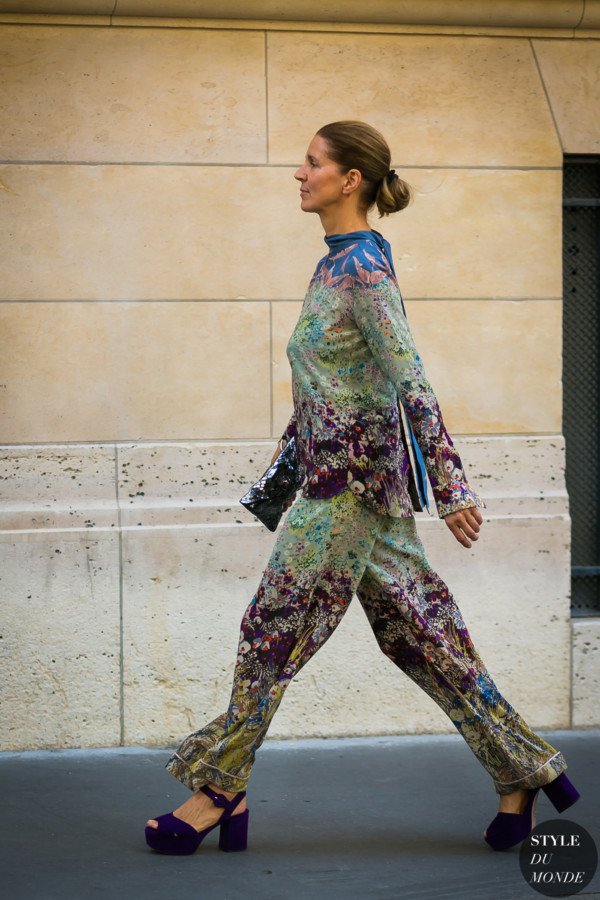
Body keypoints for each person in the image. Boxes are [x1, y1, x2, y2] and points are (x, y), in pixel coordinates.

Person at [145, 120, 580, 856]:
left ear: (351, 180)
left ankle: (220, 790)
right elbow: (334, 387)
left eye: (312, 163)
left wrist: (452, 486)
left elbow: (408, 374)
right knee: (425, 637)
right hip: (349, 483)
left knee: (269, 634)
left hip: (345, 493)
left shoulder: (364, 271)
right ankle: (523, 771)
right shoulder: (335, 264)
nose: (298, 173)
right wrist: (281, 476)